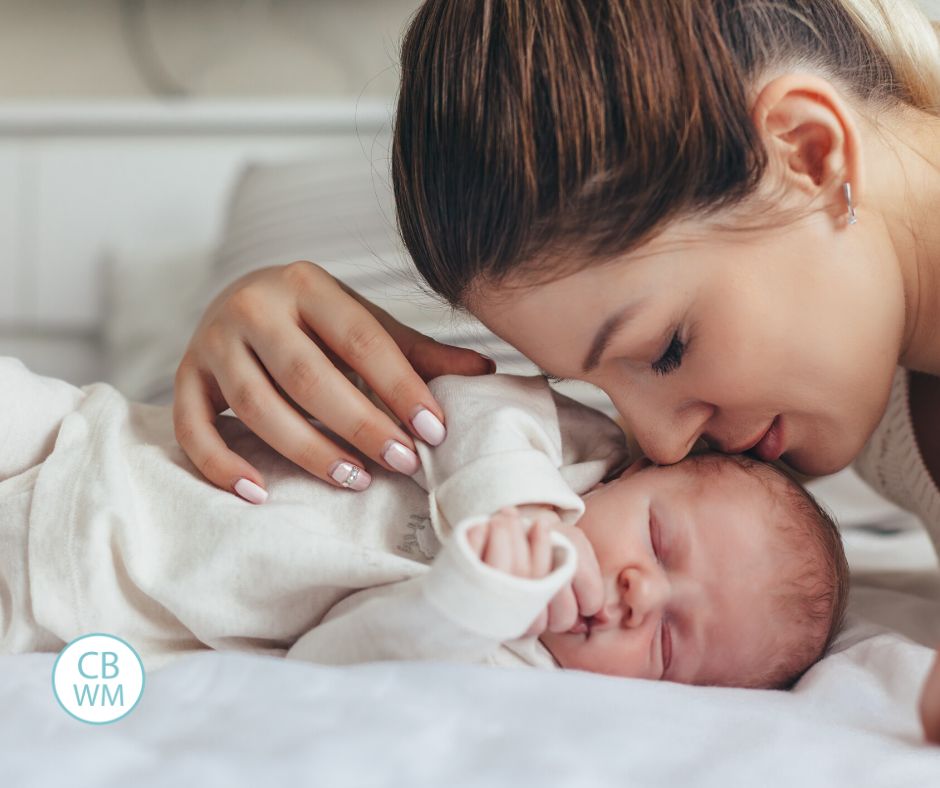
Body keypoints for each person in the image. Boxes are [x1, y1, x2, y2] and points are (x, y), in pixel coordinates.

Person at [169, 0, 940, 739]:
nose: (663, 446)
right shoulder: (855, 358)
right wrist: (270, 325)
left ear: (808, 151)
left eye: (668, 346)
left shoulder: (830, 353)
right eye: (597, 387)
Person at [0, 357, 845, 688]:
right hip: (76, 435)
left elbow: (332, 662)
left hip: (76, 606)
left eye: (667, 645)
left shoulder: (507, 664)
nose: (637, 593)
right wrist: (516, 500)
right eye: (659, 543)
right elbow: (463, 398)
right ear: (642, 470)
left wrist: (472, 598)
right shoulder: (569, 452)